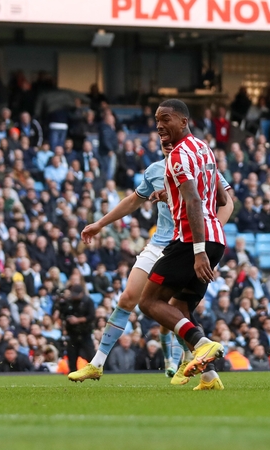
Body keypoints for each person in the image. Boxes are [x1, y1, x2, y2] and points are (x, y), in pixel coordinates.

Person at [68, 136, 233, 390]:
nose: (166, 141)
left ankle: (197, 362)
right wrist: (101, 223)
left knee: (174, 308)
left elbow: (226, 201)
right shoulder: (155, 170)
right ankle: (97, 363)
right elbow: (133, 200)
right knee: (127, 299)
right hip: (159, 244)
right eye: (162, 137)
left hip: (187, 243)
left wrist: (208, 232)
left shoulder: (197, 162)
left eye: (169, 136)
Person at [137, 99, 229, 382]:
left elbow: (193, 199)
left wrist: (198, 252)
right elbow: (222, 198)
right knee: (180, 307)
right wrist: (170, 195)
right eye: (157, 119)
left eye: (166, 119)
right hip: (216, 239)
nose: (159, 125)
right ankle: (209, 377)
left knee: (149, 302)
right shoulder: (204, 149)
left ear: (183, 121)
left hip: (192, 241)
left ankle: (202, 345)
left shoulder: (177, 156)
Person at [57, 284, 95, 373]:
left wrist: (78, 320)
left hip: (85, 332)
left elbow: (91, 316)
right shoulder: (69, 302)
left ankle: (95, 371)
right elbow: (63, 315)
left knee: (90, 354)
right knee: (72, 355)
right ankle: (73, 373)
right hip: (72, 333)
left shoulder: (88, 301)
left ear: (82, 293)